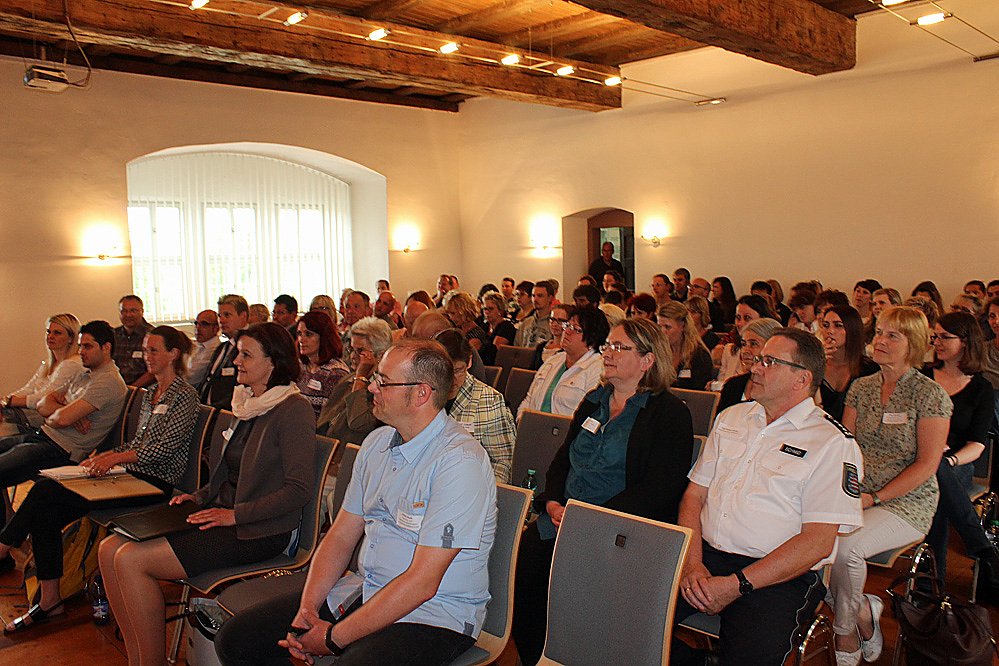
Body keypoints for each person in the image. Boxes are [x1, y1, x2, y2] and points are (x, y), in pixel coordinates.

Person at [214, 339, 497, 666]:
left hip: (434, 615)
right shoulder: (377, 443)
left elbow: (422, 583)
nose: (371, 388)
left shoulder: (459, 462)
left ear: (421, 393)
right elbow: (341, 536)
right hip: (368, 590)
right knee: (236, 641)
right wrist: (308, 609)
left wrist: (332, 638)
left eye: (383, 382)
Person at [99, 322, 317, 665]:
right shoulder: (247, 402)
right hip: (222, 514)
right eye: (238, 353)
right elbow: (229, 473)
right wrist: (199, 496)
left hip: (259, 530)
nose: (237, 361)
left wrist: (234, 515)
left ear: (273, 362)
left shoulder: (292, 409)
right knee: (109, 549)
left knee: (131, 560)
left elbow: (298, 491)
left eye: (246, 355)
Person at [673, 328, 863, 666]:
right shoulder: (733, 418)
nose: (755, 367)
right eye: (759, 359)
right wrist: (693, 563)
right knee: (625, 620)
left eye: (769, 361)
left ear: (802, 379)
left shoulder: (832, 443)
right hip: (704, 556)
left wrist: (735, 585)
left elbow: (818, 543)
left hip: (777, 575)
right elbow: (693, 497)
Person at [512, 318, 694, 665]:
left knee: (572, 590)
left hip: (620, 530)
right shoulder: (594, 401)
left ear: (647, 360)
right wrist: (553, 501)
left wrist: (589, 518)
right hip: (565, 519)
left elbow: (659, 489)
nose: (607, 353)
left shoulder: (670, 414)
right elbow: (562, 460)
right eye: (608, 345)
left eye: (619, 347)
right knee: (520, 576)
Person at [0, 326, 198, 631]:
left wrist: (115, 458)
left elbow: (163, 450)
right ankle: (50, 600)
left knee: (43, 492)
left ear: (173, 354)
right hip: (130, 474)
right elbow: (139, 442)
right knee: (45, 507)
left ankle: (4, 546)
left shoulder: (184, 395)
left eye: (153, 350)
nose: (146, 356)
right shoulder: (151, 394)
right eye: (145, 350)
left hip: (154, 484)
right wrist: (105, 456)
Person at [832, 306, 951, 664]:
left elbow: (927, 464)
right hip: (859, 493)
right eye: (879, 332)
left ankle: (845, 631)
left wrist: (875, 497)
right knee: (811, 539)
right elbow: (847, 447)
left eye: (892, 335)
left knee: (846, 548)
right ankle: (863, 612)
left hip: (908, 501)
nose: (880, 340)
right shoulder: (862, 387)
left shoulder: (929, 395)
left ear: (912, 344)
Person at [0, 320, 128, 520]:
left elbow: (59, 418)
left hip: (60, 450)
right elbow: (43, 404)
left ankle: (7, 531)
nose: (81, 352)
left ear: (106, 348)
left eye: (87, 346)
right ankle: (6, 524)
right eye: (80, 346)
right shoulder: (85, 374)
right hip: (43, 437)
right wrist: (64, 414)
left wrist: (60, 414)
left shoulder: (108, 381)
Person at [923, 312, 999, 586]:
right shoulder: (922, 378)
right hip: (918, 456)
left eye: (945, 337)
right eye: (935, 337)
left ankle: (930, 583)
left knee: (939, 478)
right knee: (936, 473)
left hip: (956, 462)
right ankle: (980, 546)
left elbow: (977, 445)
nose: (937, 342)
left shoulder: (981, 389)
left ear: (965, 342)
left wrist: (949, 460)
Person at [436, 330, 516, 483]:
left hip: (471, 485)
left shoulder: (490, 401)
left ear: (469, 362)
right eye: (444, 371)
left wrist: (484, 491)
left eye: (458, 370)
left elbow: (503, 462)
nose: (451, 379)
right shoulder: (424, 393)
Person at [1, 313, 85, 433]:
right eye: (48, 332)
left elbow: (43, 398)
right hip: (34, 413)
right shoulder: (47, 364)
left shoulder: (72, 363)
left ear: (71, 338)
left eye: (57, 333)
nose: (50, 336)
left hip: (49, 419)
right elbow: (28, 389)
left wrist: (8, 401)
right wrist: (6, 400)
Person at [519, 306, 608, 418]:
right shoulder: (554, 359)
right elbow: (528, 399)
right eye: (567, 325)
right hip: (532, 425)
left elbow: (588, 416)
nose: (567, 331)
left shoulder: (598, 369)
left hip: (565, 428)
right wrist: (522, 420)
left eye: (576, 329)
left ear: (593, 339)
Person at [316, 317, 393, 444]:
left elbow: (358, 422)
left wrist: (361, 376)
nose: (352, 356)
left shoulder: (385, 388)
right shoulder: (348, 378)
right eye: (351, 349)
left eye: (360, 351)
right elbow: (326, 417)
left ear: (380, 355)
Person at [817, 305, 878, 422]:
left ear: (852, 329)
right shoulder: (815, 365)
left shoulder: (869, 369)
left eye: (838, 325)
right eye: (826, 325)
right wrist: (816, 364)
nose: (830, 331)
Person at [716, 318, 783, 410]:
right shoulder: (733, 385)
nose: (745, 351)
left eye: (753, 344)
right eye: (743, 344)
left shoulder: (779, 390)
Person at [198, 294, 249, 410]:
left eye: (227, 315)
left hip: (228, 412)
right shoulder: (222, 347)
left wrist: (214, 410)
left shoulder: (250, 348)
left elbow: (244, 388)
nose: (221, 320)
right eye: (220, 315)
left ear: (243, 316)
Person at [296, 311, 350, 419]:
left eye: (308, 334)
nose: (301, 339)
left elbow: (329, 418)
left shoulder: (335, 373)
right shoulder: (300, 366)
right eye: (299, 334)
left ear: (324, 337)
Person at [714, 295, 775, 385]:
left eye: (747, 318)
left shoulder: (771, 354)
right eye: (738, 317)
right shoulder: (729, 350)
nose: (740, 323)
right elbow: (722, 384)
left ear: (763, 320)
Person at [657, 301, 712, 391]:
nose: (662, 332)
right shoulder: (657, 353)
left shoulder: (699, 356)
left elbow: (699, 394)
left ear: (683, 326)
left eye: (667, 327)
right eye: (659, 327)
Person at [114, 295, 154, 386]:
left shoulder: (152, 336)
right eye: (124, 311)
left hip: (145, 390)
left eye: (133, 310)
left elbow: (155, 370)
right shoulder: (113, 335)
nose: (128, 315)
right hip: (116, 389)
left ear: (142, 312)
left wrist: (132, 389)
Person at [514, 280, 555, 348]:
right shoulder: (525, 323)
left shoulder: (554, 324)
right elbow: (517, 347)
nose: (535, 299)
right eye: (533, 296)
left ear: (550, 298)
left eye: (540, 296)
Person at [480, 291, 516, 366]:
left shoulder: (506, 327)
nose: (487, 312)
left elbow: (493, 352)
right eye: (485, 309)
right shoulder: (485, 326)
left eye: (490, 309)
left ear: (500, 310)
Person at [187, 310, 221, 387]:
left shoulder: (216, 350)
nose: (198, 328)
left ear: (216, 328)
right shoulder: (194, 346)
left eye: (204, 324)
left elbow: (190, 377)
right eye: (196, 323)